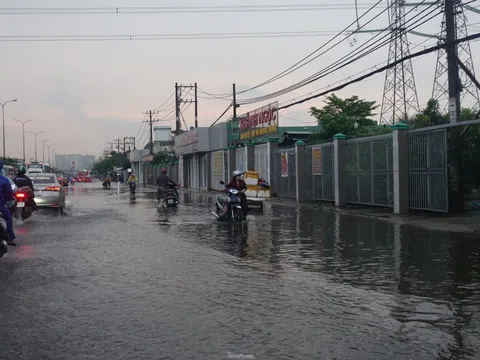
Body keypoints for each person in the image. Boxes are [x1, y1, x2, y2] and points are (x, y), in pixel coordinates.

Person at [0, 161, 16, 245]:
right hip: (1, 205)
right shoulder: (4, 180)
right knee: (8, 218)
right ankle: (10, 238)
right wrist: (9, 203)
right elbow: (9, 194)